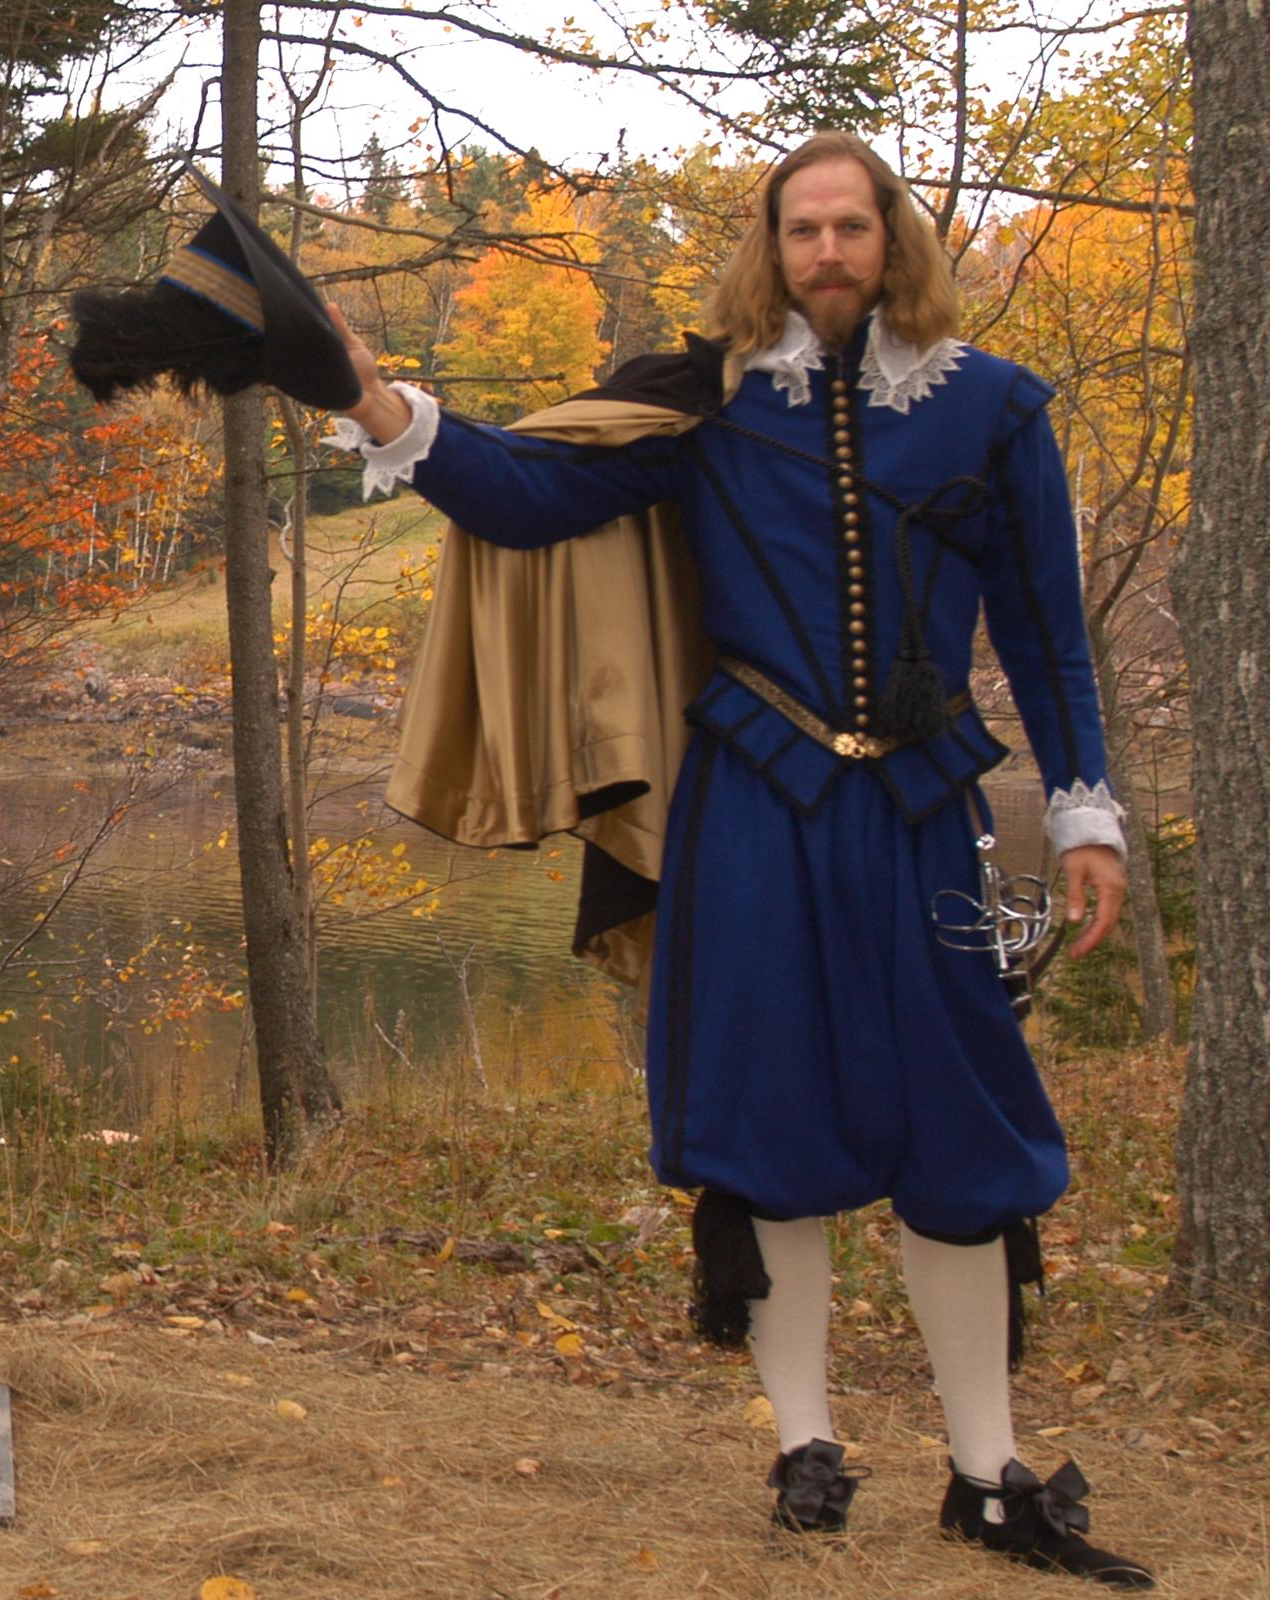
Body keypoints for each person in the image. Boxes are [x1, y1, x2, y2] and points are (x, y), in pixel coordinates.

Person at [327, 132, 1151, 1589]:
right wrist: (373, 400)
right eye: (801, 232)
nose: (826, 254)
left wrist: (1085, 816)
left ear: (892, 243)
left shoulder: (1000, 415)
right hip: (753, 813)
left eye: (850, 228)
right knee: (770, 1129)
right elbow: (529, 493)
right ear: (769, 251)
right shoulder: (707, 409)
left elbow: (1046, 633)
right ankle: (805, 1447)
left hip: (925, 818)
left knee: (961, 1133)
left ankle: (986, 1473)